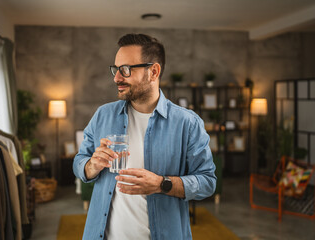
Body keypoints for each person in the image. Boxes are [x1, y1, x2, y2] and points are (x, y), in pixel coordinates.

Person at [73, 33, 216, 240]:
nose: (116, 78)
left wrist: (161, 184)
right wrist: (92, 166)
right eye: (116, 69)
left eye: (126, 70)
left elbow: (207, 181)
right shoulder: (103, 115)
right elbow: (79, 162)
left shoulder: (187, 123)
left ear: (153, 72)